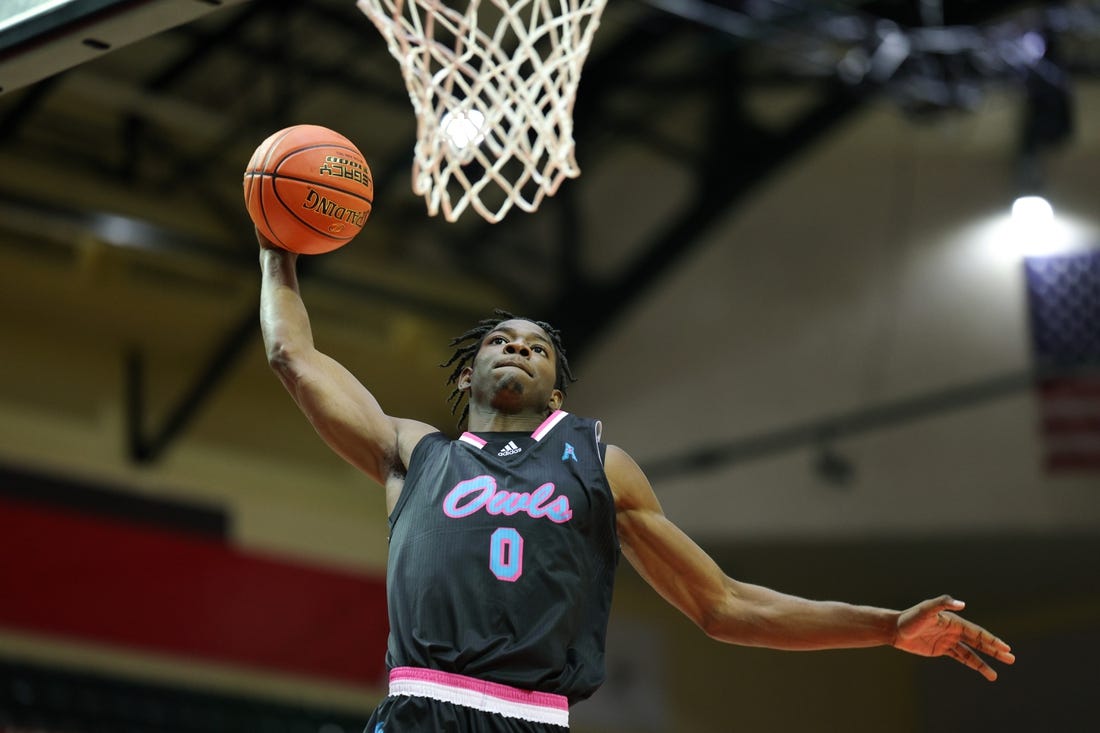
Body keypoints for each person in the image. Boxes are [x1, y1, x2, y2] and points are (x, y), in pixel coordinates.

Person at [257, 231, 1015, 733]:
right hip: (423, 705)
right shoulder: (415, 452)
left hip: (533, 717)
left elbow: (723, 604)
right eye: (500, 340)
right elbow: (296, 359)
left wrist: (884, 625)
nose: (519, 347)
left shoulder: (598, 464)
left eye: (538, 347)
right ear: (468, 372)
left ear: (556, 391)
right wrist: (275, 252)